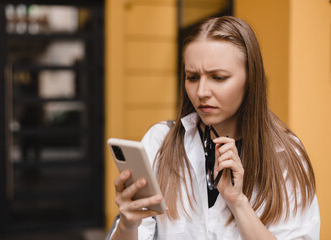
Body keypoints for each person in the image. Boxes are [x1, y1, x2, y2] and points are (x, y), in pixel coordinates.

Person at [109, 16, 320, 239]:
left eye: (218, 77)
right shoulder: (160, 142)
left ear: (251, 79)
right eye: (192, 77)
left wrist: (238, 203)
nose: (201, 92)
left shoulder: (285, 155)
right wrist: (128, 225)